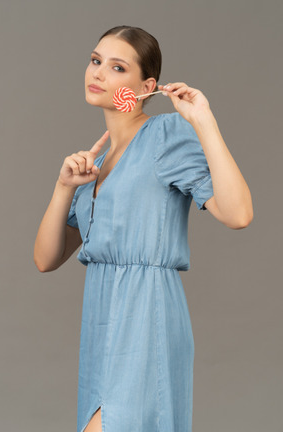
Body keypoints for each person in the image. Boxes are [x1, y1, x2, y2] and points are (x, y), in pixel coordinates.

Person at [34, 25, 253, 432]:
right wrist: (64, 187)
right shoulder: (94, 165)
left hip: (146, 318)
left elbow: (237, 214)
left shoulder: (165, 136)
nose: (98, 73)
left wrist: (203, 122)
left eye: (117, 67)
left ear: (146, 85)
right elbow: (45, 259)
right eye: (95, 60)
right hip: (100, 327)